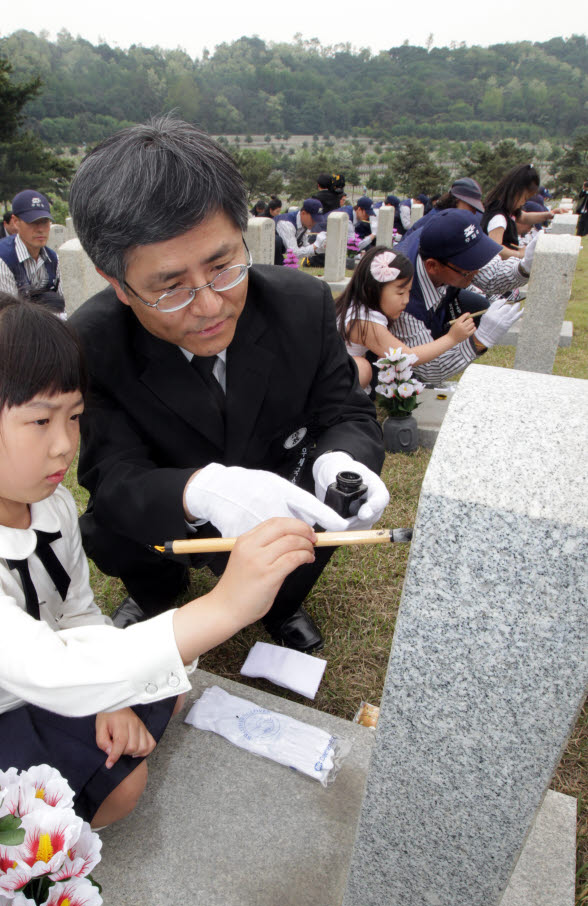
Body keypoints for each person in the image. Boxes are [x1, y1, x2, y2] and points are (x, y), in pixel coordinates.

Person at [0, 291, 318, 861]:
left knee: (168, 688)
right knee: (124, 785)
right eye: (39, 420)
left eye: (73, 416)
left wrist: (107, 700)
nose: (65, 443)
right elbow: (57, 671)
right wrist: (226, 606)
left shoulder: (51, 505)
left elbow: (75, 614)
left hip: (46, 682)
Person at [68, 117, 387, 654]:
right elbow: (113, 476)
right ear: (117, 284)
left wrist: (343, 464)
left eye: (222, 266)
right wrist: (200, 491)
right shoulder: (91, 344)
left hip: (277, 489)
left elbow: (346, 417)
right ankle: (158, 593)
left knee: (318, 504)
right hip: (168, 501)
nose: (211, 306)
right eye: (170, 288)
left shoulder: (300, 306)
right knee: (108, 528)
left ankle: (281, 603)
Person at [393, 209, 528, 385]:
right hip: (391, 356)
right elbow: (430, 369)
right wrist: (480, 341)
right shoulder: (403, 300)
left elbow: (491, 277)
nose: (478, 271)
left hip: (437, 298)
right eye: (469, 267)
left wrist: (525, 267)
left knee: (477, 305)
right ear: (433, 266)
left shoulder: (443, 238)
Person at [335, 247, 476, 392]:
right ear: (373, 289)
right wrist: (452, 338)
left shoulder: (357, 308)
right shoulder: (363, 321)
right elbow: (405, 357)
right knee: (362, 367)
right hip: (327, 384)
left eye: (408, 292)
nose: (406, 300)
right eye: (400, 292)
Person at [0, 190, 64, 313]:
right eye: (32, 222)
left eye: (45, 222)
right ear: (16, 222)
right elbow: (9, 315)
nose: (40, 229)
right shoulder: (0, 260)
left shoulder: (53, 258)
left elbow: (62, 302)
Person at [480, 164, 553, 258]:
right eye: (525, 198)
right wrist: (519, 254)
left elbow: (524, 217)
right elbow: (495, 249)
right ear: (515, 192)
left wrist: (548, 215)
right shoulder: (498, 218)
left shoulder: (506, 209)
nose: (523, 203)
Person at [297, 197, 328, 267]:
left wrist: (320, 248)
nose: (315, 223)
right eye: (313, 219)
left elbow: (305, 247)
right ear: (303, 213)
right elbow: (293, 253)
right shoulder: (288, 224)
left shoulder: (304, 227)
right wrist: (316, 245)